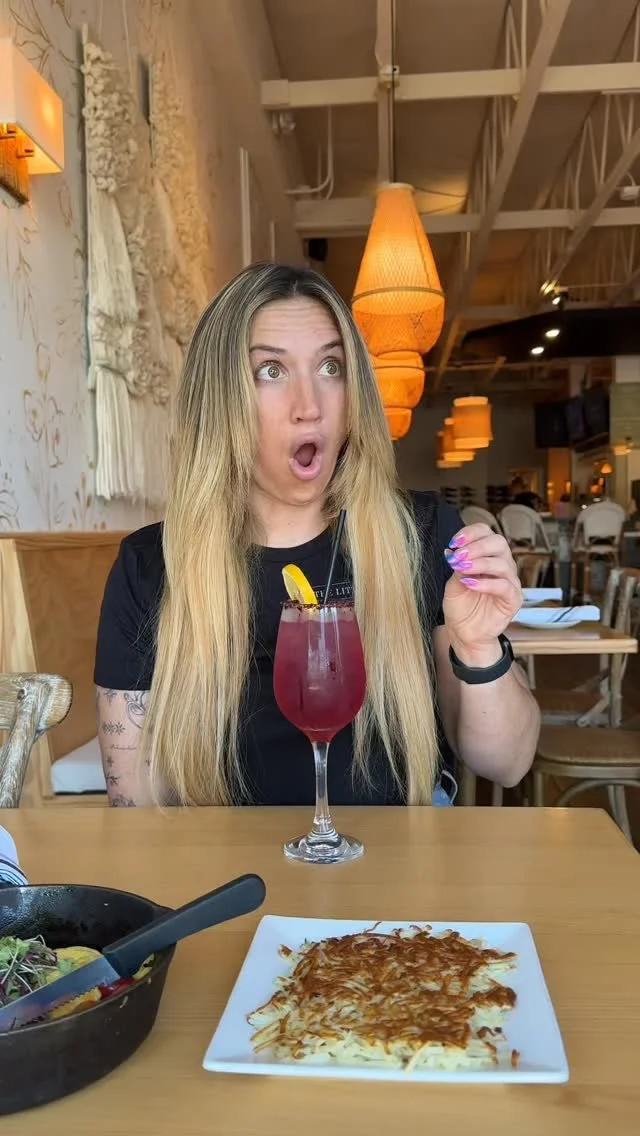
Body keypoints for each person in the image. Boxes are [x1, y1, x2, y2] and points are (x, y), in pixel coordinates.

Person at [94, 263, 540, 808]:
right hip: (226, 862)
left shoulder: (422, 535)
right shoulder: (152, 567)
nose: (310, 407)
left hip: (400, 853)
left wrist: (479, 647)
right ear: (218, 400)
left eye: (331, 367)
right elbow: (137, 808)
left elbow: (508, 763)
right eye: (270, 371)